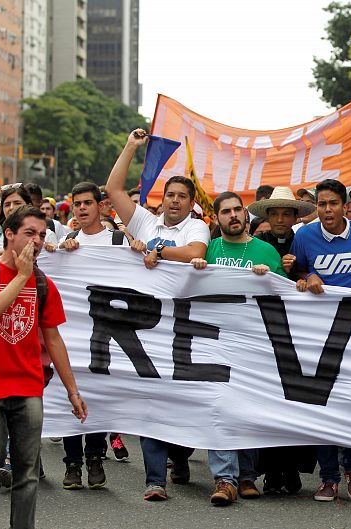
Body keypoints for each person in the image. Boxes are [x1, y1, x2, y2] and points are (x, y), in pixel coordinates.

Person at [0, 205, 87, 529]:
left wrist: (73, 391)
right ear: (9, 234)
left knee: (27, 472)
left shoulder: (44, 284)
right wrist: (20, 278)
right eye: (29, 233)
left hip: (28, 388)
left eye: (42, 235)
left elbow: (54, 340)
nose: (37, 241)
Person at [105, 129, 210, 501]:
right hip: (147, 326)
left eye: (182, 196)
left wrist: (158, 253)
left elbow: (194, 251)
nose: (175, 201)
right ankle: (154, 480)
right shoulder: (147, 223)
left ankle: (179, 455)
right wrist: (131, 147)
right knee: (152, 402)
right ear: (161, 200)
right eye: (170, 196)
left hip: (185, 329)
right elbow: (114, 190)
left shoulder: (196, 226)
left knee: (184, 403)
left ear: (191, 202)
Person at [191, 191, 286, 506]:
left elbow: (288, 298)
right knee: (218, 407)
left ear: (245, 215)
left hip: (253, 346)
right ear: (216, 218)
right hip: (213, 344)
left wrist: (270, 277)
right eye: (225, 212)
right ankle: (225, 479)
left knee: (245, 410)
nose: (232, 216)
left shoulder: (266, 251)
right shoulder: (210, 249)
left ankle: (246, 475)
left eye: (236, 210)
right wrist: (195, 271)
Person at [288, 178, 351, 502]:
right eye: (321, 204)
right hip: (316, 335)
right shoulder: (305, 236)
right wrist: (306, 275)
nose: (327, 210)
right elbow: (293, 274)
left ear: (344, 206)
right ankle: (328, 477)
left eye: (333, 203)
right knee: (321, 406)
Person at [56, 182, 130, 490]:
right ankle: (72, 463)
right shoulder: (68, 240)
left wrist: (139, 251)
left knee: (97, 395)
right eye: (77, 204)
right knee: (70, 395)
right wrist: (58, 251)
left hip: (106, 331)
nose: (82, 208)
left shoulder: (117, 240)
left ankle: (95, 456)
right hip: (73, 333)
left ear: (101, 206)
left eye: (88, 203)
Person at [247, 186, 317, 494]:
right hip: (264, 332)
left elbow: (314, 274)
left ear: (293, 216)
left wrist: (299, 275)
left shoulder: (303, 242)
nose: (279, 219)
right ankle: (270, 471)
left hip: (299, 333)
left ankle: (292, 469)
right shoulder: (257, 244)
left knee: (296, 403)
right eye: (273, 213)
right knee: (268, 403)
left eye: (285, 213)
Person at [0, 185, 58, 260]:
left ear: (29, 206)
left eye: (17, 203)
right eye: (7, 204)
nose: (11, 208)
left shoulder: (48, 235)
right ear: (8, 234)